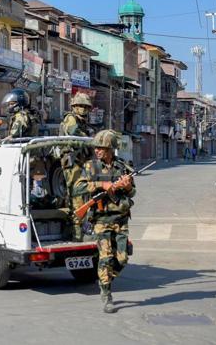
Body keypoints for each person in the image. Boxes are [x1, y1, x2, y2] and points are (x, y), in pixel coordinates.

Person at [73, 130, 136, 314]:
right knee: (105, 257)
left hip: (121, 219)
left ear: (110, 149)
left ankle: (105, 278)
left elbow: (133, 193)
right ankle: (106, 294)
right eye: (97, 148)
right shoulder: (90, 167)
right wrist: (102, 185)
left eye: (101, 148)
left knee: (122, 259)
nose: (98, 151)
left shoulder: (123, 168)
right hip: (101, 220)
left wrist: (128, 186)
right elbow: (78, 187)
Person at [60, 92, 96, 241]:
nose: (83, 109)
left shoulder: (84, 123)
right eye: (80, 106)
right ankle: (77, 235)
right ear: (74, 106)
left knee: (87, 196)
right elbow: (75, 134)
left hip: (82, 163)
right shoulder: (70, 119)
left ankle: (81, 231)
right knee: (77, 197)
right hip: (72, 163)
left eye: (86, 107)